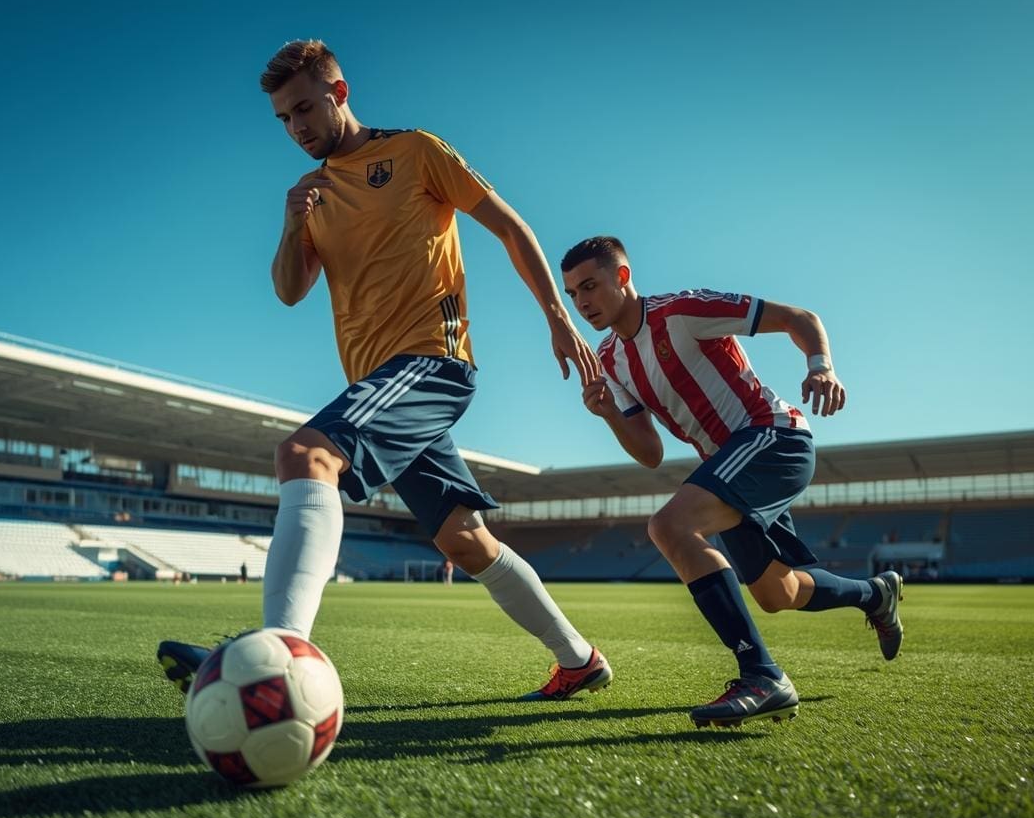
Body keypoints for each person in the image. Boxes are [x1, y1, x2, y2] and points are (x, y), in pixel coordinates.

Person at [158, 40, 612, 701]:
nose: (297, 128)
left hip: (432, 362)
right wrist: (292, 223)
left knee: (306, 454)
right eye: (284, 119)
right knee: (464, 540)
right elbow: (289, 290)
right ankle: (579, 659)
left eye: (306, 108)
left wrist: (558, 318)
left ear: (339, 93)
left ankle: (274, 662)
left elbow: (511, 227)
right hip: (378, 385)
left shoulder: (414, 152)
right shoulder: (312, 195)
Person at [560, 235, 903, 727]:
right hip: (731, 464)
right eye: (572, 294)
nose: (582, 302)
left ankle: (762, 676)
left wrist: (821, 368)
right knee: (776, 593)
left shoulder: (682, 311)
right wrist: (610, 414)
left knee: (670, 527)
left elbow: (799, 319)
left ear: (623, 277)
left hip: (774, 437)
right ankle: (875, 594)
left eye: (590, 286)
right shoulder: (610, 359)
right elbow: (651, 453)